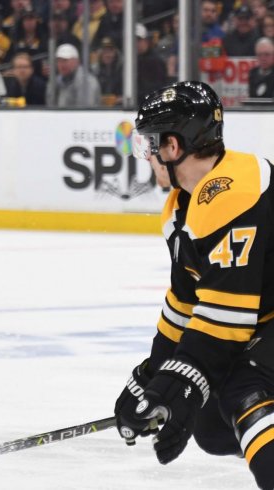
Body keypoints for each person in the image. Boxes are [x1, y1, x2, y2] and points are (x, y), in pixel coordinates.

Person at [116, 81, 274, 490]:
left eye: (151, 144)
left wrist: (181, 382)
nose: (146, 155)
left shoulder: (236, 189)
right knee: (211, 423)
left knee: (246, 388)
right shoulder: (184, 207)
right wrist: (150, 378)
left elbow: (227, 318)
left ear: (173, 146)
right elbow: (185, 304)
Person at [49, 43, 100, 107]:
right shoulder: (57, 80)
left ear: (76, 61)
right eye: (59, 61)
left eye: (65, 60)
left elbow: (83, 111)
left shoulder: (86, 81)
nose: (61, 64)